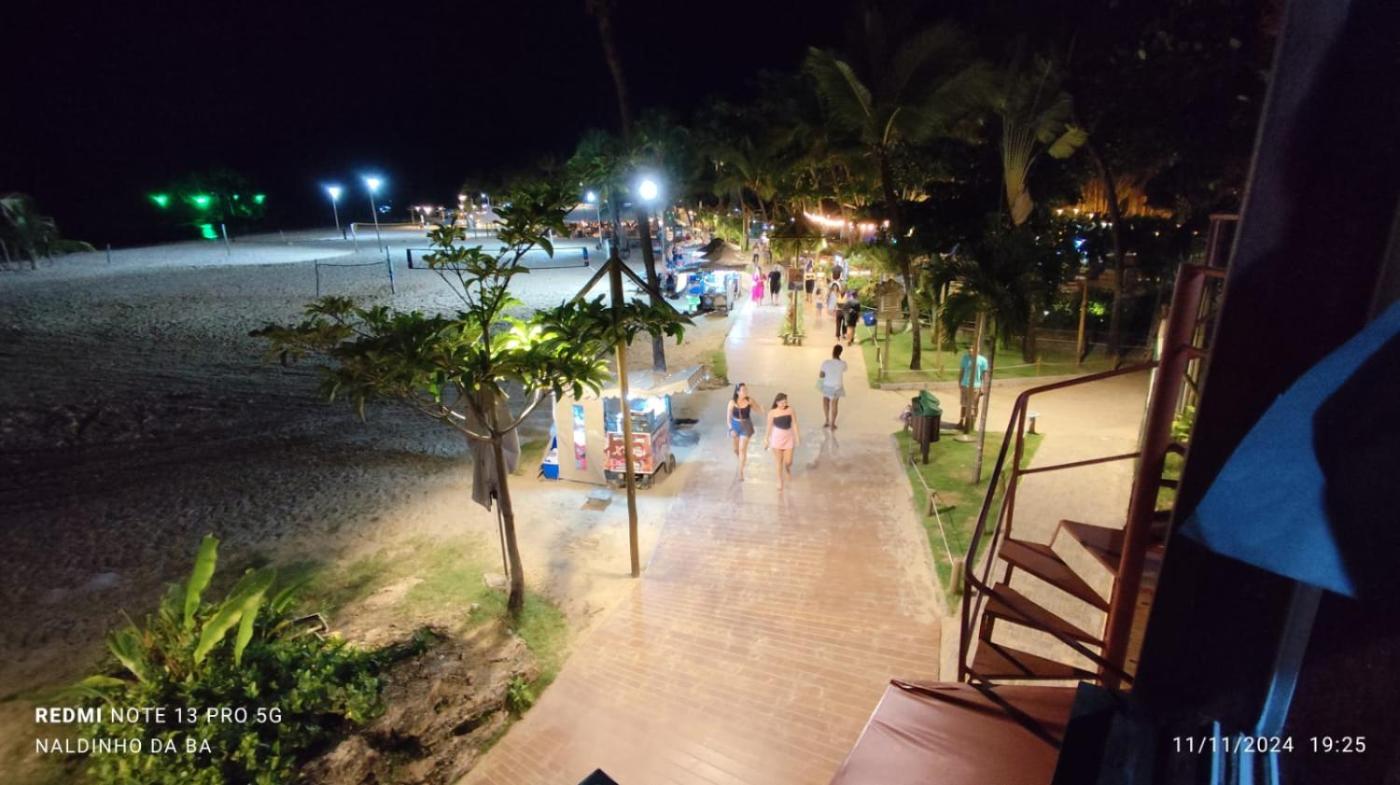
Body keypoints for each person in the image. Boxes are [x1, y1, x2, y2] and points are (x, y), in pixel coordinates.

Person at [763, 392, 799, 490]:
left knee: (788, 461)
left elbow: (794, 424)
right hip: (776, 439)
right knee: (779, 461)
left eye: (785, 402)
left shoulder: (790, 410)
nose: (784, 404)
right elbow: (769, 427)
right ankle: (779, 480)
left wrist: (797, 437)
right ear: (777, 402)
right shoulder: (772, 413)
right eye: (782, 403)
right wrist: (766, 439)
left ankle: (787, 468)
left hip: (788, 438)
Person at [727, 383, 756, 480]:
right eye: (743, 390)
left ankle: (740, 472)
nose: (745, 391)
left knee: (742, 449)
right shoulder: (732, 402)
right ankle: (741, 460)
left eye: (746, 389)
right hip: (735, 426)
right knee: (736, 450)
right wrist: (731, 429)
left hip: (746, 426)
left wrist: (764, 411)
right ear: (738, 392)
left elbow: (757, 407)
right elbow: (728, 419)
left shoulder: (749, 400)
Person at [959, 345, 991, 432]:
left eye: (972, 348)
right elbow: (962, 371)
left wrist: (983, 387)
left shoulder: (982, 360)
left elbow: (984, 375)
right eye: (969, 348)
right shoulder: (965, 358)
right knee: (964, 404)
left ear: (977, 349)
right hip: (965, 385)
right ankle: (961, 421)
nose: (970, 350)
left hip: (976, 386)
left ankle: (972, 423)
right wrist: (960, 382)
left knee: (974, 405)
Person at [819, 344, 848, 429]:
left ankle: (827, 420)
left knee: (825, 402)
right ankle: (832, 424)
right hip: (837, 386)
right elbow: (844, 370)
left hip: (827, 385)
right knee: (834, 404)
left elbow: (821, 375)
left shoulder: (826, 363)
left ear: (832, 352)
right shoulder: (843, 364)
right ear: (840, 353)